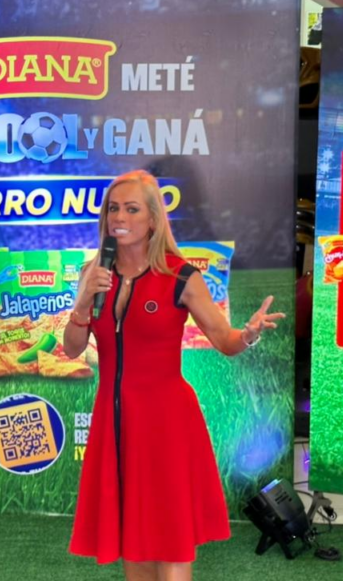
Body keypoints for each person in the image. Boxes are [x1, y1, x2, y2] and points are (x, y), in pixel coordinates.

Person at [64, 170, 284, 581]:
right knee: (132, 533)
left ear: (153, 219)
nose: (119, 217)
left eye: (132, 209)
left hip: (167, 422)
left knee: (169, 534)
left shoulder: (180, 275)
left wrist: (248, 334)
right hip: (115, 421)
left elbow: (224, 339)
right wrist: (82, 302)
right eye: (113, 208)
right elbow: (73, 348)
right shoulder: (93, 274)